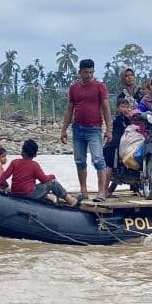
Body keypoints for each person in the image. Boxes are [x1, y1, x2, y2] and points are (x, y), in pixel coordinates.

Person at [60, 58, 113, 199]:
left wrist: (109, 129)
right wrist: (64, 129)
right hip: (77, 128)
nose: (88, 75)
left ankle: (101, 191)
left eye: (91, 72)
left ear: (93, 72)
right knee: (79, 160)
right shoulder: (74, 88)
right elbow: (69, 109)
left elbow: (106, 108)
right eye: (85, 72)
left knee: (98, 159)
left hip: (94, 129)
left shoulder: (100, 87)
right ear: (80, 72)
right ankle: (83, 191)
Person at [0, 139, 80, 206]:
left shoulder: (15, 162)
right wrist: (52, 176)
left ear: (22, 152)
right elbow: (43, 179)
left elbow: (4, 176)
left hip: (16, 192)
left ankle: (49, 197)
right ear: (35, 155)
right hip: (28, 194)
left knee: (34, 187)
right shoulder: (34, 165)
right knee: (53, 183)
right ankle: (71, 200)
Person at [104, 96, 136, 192]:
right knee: (110, 167)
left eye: (127, 107)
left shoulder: (126, 120)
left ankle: (110, 190)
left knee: (118, 166)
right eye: (122, 107)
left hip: (122, 146)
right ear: (118, 108)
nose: (125, 109)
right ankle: (104, 190)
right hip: (114, 147)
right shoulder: (117, 120)